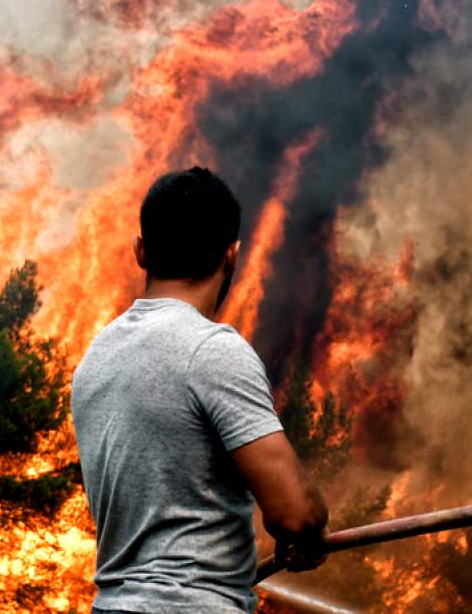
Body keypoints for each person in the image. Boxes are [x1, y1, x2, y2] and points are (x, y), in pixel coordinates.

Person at [72, 166, 329, 614]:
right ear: (231, 255)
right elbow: (296, 513)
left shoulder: (97, 356)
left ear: (141, 251)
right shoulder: (213, 351)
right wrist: (304, 531)